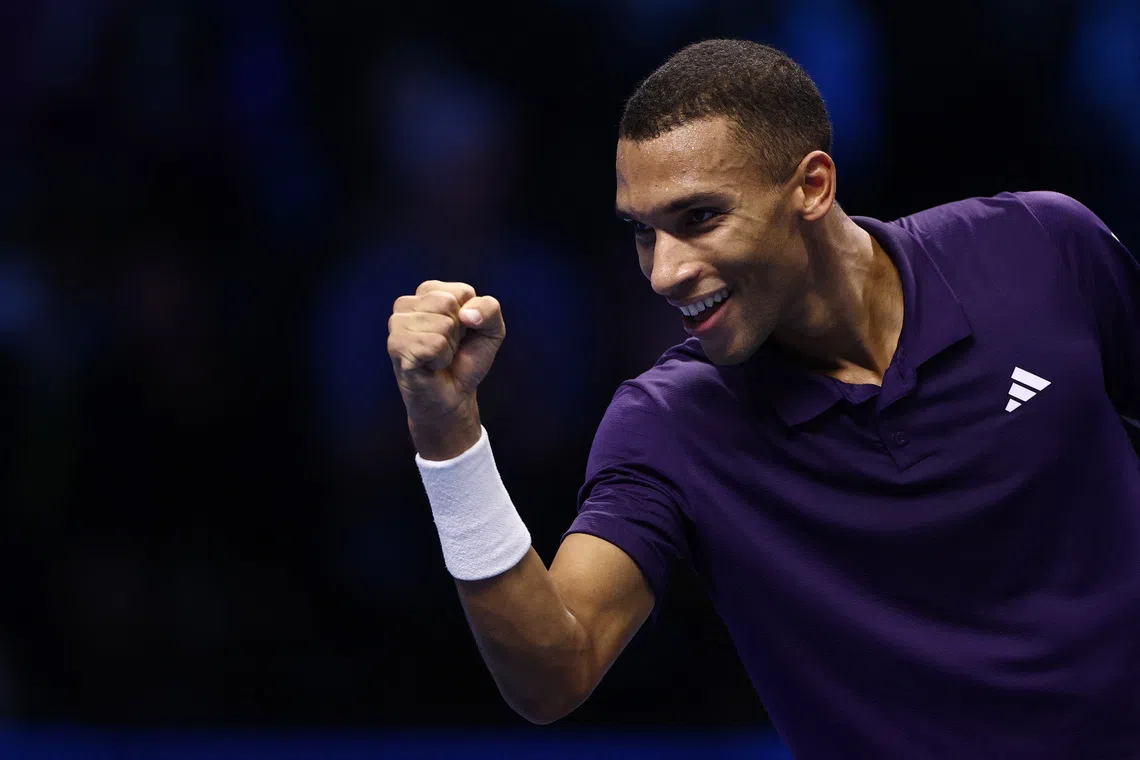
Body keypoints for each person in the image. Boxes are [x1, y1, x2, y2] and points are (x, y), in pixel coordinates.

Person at [386, 39, 1140, 759]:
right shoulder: (669, 424)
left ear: (812, 186)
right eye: (643, 234)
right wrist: (446, 431)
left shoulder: (1040, 246)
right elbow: (554, 674)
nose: (664, 272)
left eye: (699, 218)